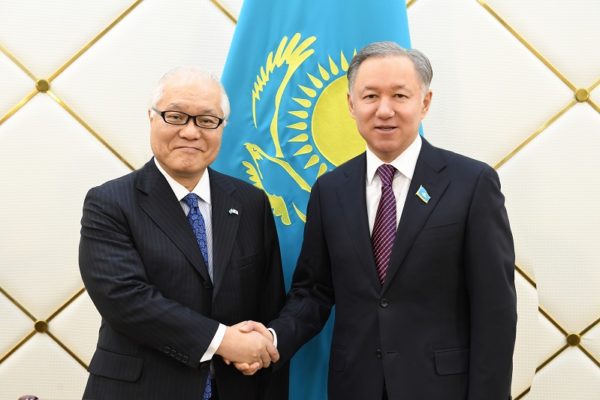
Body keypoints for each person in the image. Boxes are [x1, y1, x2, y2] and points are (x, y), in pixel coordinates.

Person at [239, 41, 517, 399]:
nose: (384, 110)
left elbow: (495, 309)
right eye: (370, 96)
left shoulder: (472, 183)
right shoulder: (330, 190)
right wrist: (273, 338)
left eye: (400, 96)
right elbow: (314, 291)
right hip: (355, 386)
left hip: (442, 388)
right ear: (351, 105)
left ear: (425, 102)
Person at [79, 66, 288, 400]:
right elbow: (126, 299)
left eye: (206, 120)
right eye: (175, 117)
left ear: (222, 127)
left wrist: (258, 348)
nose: (191, 132)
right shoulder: (109, 202)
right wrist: (224, 341)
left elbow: (268, 303)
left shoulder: (251, 203)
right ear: (151, 117)